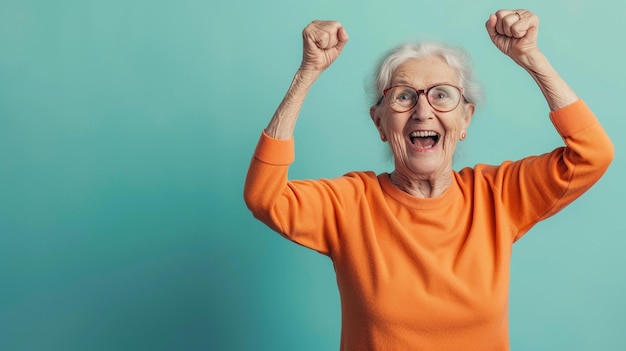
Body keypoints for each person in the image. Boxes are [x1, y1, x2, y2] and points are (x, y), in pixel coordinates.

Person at [244, 8, 613, 350]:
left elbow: (592, 154)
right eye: (404, 97)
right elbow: (265, 196)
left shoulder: (497, 196)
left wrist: (532, 59)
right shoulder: (352, 203)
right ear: (380, 123)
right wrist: (306, 74)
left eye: (441, 95)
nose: (423, 111)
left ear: (465, 119)